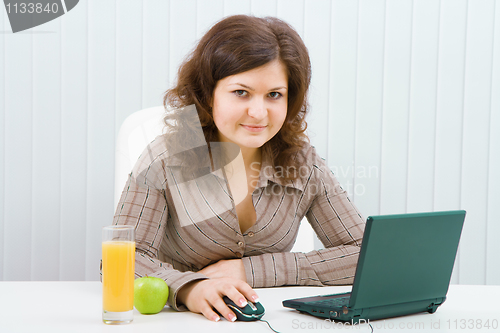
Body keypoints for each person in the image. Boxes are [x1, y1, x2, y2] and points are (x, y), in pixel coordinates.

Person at [113, 14, 365, 323]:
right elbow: (120, 260)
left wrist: (253, 270)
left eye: (274, 95)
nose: (259, 113)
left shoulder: (304, 163)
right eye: (241, 92)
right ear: (207, 94)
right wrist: (188, 288)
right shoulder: (166, 156)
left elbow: (365, 256)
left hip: (273, 321)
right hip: (178, 323)